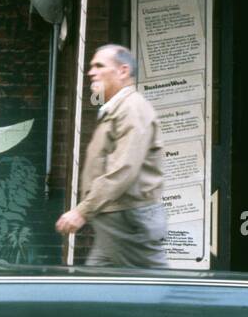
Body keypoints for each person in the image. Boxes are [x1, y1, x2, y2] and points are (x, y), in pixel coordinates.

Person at [55, 43, 168, 268]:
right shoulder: (117, 108)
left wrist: (82, 211)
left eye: (99, 66)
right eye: (90, 66)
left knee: (160, 291)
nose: (91, 72)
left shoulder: (132, 109)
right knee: (96, 291)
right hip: (116, 218)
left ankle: (192, 304)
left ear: (123, 71)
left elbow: (123, 169)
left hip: (128, 220)